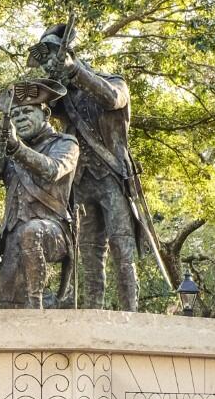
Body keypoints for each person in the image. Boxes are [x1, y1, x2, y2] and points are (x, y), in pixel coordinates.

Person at [28, 25, 153, 310]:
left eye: (53, 57)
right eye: (45, 61)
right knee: (89, 253)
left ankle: (130, 313)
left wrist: (75, 70)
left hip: (112, 177)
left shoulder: (114, 81)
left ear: (69, 54)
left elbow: (111, 98)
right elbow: (41, 106)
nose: (49, 65)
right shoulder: (62, 99)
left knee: (122, 249)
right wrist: (55, 77)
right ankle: (92, 312)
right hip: (81, 182)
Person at [0, 79, 79, 309]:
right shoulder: (8, 151)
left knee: (32, 231)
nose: (20, 118)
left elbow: (53, 170)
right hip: (14, 237)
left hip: (54, 232)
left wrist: (16, 148)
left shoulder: (65, 143)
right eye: (15, 114)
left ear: (45, 114)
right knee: (8, 303)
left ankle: (37, 308)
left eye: (27, 112)